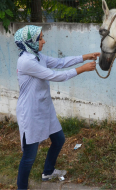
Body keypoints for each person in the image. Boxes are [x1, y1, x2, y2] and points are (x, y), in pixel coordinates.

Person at [14, 25, 99, 190]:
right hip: (30, 112)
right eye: (40, 39)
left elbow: (60, 63)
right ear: (30, 42)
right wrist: (82, 69)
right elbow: (55, 76)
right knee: (29, 157)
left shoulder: (36, 56)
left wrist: (84, 56)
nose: (44, 41)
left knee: (59, 139)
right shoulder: (26, 61)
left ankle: (48, 172)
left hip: (44, 108)